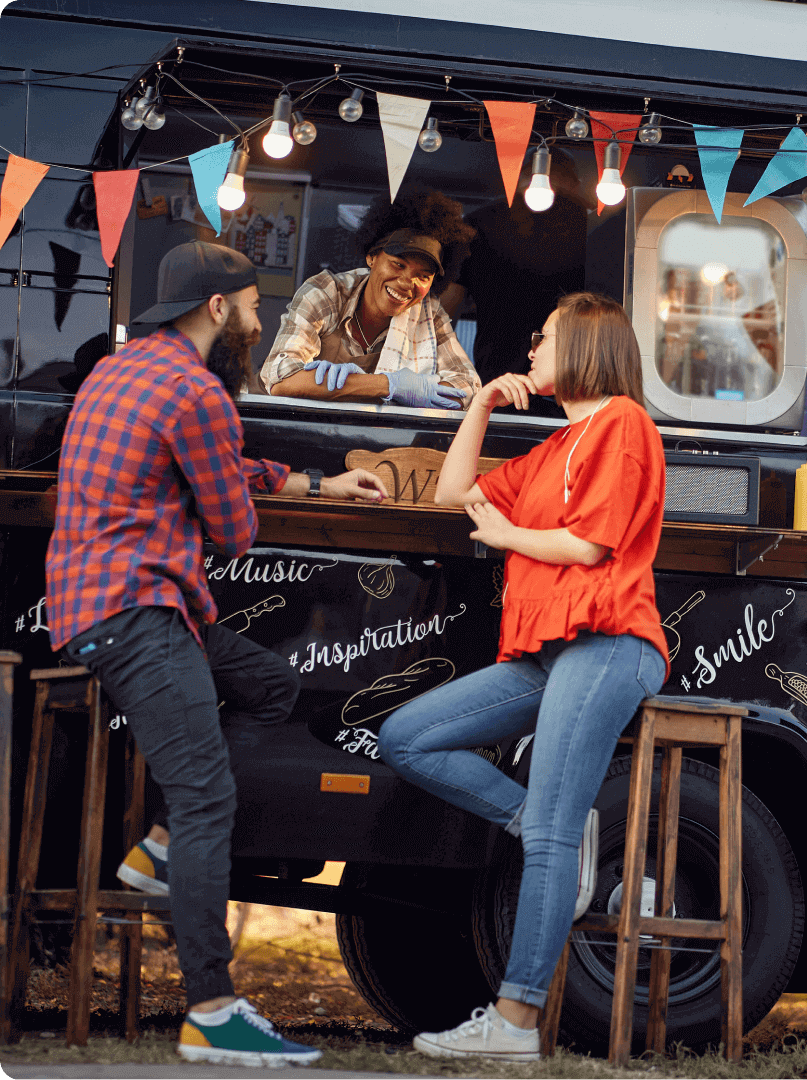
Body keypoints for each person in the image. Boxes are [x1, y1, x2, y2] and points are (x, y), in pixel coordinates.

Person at [45, 240, 388, 1068]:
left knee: (270, 683)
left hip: (102, 605)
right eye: (252, 302)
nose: (261, 317)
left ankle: (160, 849)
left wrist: (317, 484)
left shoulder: (120, 370)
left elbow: (215, 469)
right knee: (208, 803)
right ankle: (212, 1011)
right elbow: (233, 530)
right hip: (138, 611)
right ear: (217, 308)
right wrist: (250, 490)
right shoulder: (198, 392)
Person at [378, 292, 669, 1062]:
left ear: (583, 345)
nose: (531, 349)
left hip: (607, 641)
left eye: (543, 338)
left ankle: (514, 1023)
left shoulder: (623, 425)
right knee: (407, 736)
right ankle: (553, 834)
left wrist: (509, 536)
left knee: (548, 833)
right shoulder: (554, 444)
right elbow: (452, 493)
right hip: (547, 651)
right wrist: (477, 404)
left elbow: (593, 545)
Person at [260, 190, 481, 409]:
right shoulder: (326, 292)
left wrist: (419, 389)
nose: (406, 283)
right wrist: (389, 385)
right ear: (372, 257)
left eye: (423, 276)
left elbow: (468, 387)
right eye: (398, 264)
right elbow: (281, 379)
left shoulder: (429, 313)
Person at [440, 149, 588, 404]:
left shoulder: (477, 223)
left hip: (497, 381)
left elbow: (443, 314)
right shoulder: (593, 226)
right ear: (572, 181)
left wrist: (444, 376)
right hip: (572, 387)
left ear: (519, 176)